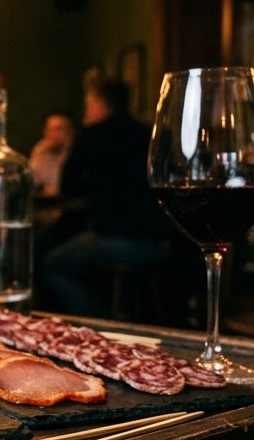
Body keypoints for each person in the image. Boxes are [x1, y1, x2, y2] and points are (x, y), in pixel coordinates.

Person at [36, 78, 171, 317]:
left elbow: (69, 187)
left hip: (118, 239)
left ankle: (99, 322)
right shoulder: (151, 133)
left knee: (51, 264)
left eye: (89, 103)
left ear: (100, 103)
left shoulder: (92, 135)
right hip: (164, 241)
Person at [29, 111, 77, 199]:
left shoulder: (75, 152)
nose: (52, 134)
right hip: (47, 203)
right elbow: (33, 181)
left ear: (69, 132)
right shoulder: (41, 150)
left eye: (58, 129)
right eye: (49, 129)